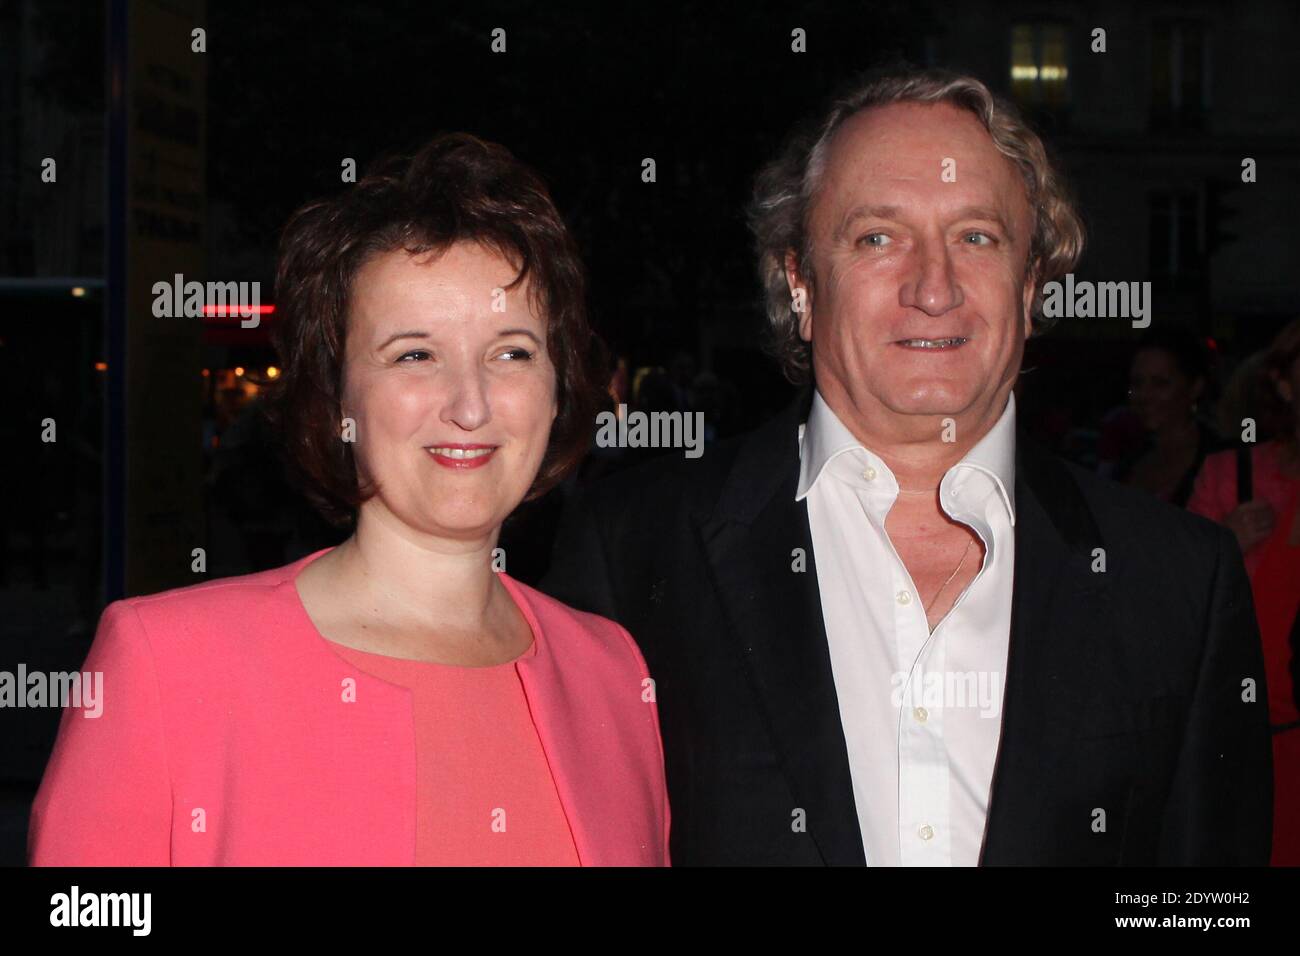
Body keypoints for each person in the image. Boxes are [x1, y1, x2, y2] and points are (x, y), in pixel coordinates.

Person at [543, 66, 1272, 865]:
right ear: (800, 282)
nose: (934, 288)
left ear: (1031, 286)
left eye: (977, 237)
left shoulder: (1178, 580)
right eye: (877, 237)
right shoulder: (633, 552)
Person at [28, 134, 669, 866]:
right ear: (337, 395)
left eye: (511, 351)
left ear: (558, 386)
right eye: (415, 354)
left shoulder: (613, 674)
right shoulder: (165, 669)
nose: (470, 404)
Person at [1189, 317, 1300, 865]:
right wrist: (1222, 544)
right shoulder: (1230, 475)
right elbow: (1172, 611)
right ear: (1284, 383)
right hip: (1249, 739)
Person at [1114, 329, 1222, 507]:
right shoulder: (1130, 461)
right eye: (1137, 383)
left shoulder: (1219, 460)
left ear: (1195, 387)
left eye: (1160, 383)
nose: (1144, 395)